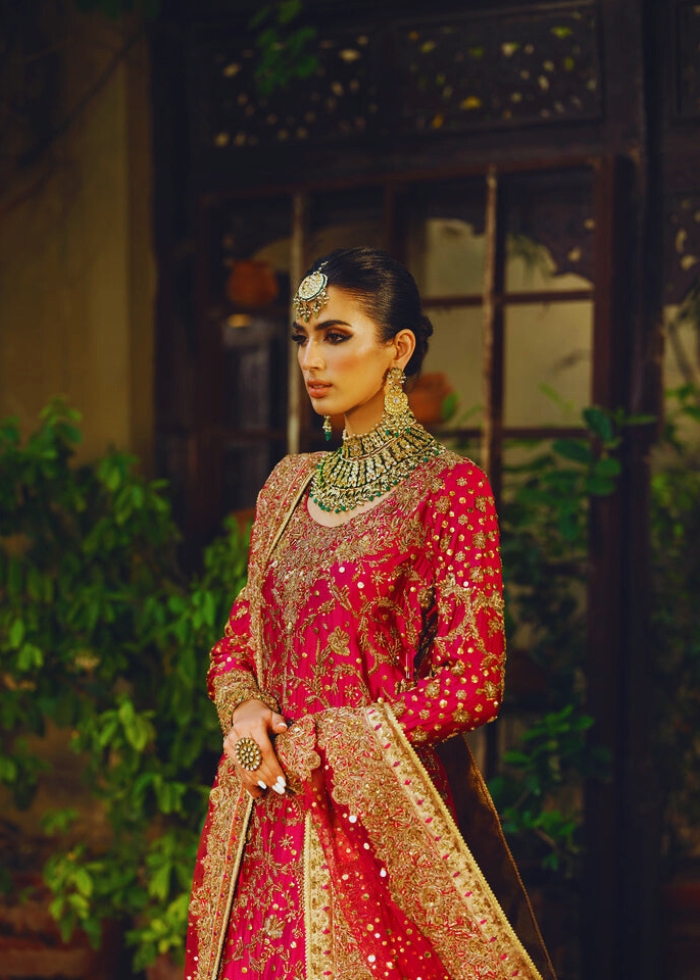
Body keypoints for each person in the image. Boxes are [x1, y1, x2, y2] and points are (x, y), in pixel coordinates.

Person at [185, 247, 556, 980]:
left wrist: (328, 741)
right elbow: (236, 647)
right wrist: (247, 713)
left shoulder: (447, 489)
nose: (311, 360)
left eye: (335, 335)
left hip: (378, 825)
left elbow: (474, 681)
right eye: (303, 339)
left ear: (398, 348)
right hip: (266, 820)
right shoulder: (287, 485)